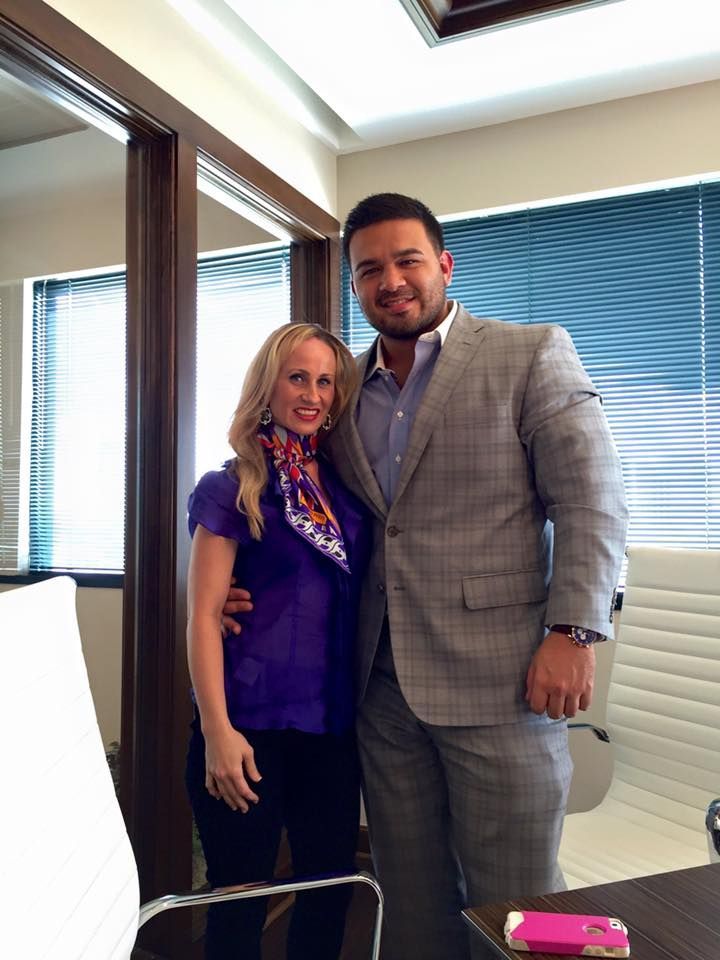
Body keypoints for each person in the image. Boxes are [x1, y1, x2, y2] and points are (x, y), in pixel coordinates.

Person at [224, 194, 628, 960]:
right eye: (369, 269)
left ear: (443, 264)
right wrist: (236, 594)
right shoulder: (342, 390)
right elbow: (311, 509)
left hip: (503, 685)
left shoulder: (529, 353)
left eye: (407, 260)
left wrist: (574, 631)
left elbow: (593, 497)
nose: (391, 280)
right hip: (380, 691)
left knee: (517, 909)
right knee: (410, 904)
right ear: (355, 285)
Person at [185, 322, 370, 960]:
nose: (313, 394)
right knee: (238, 901)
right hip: (248, 724)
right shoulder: (233, 485)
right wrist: (216, 731)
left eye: (325, 381)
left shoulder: (347, 487)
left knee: (328, 894)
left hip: (331, 726)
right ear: (269, 384)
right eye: (298, 377)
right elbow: (205, 615)